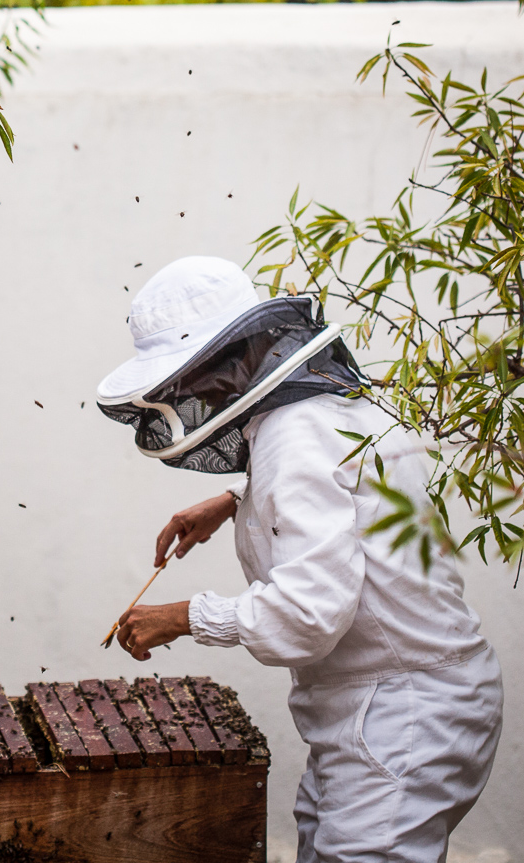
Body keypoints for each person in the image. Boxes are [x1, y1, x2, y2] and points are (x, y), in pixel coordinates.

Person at [98, 256, 502, 863]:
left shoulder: (294, 432)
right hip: (391, 705)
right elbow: (347, 496)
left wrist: (182, 617)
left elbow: (309, 614)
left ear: (230, 358)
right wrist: (235, 501)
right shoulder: (333, 406)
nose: (188, 395)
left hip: (402, 712)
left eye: (188, 377)